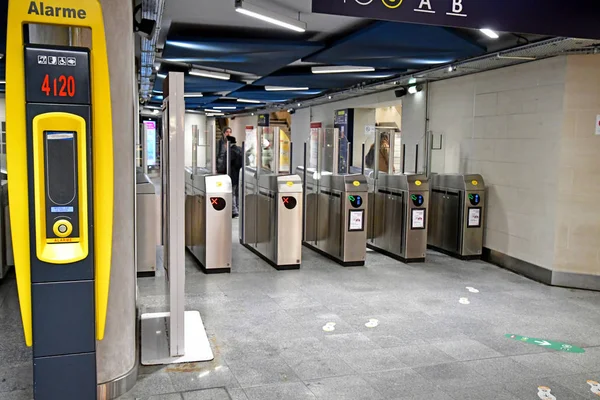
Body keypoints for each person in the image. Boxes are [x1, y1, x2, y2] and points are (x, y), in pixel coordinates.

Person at [227, 136, 243, 218]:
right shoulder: (240, 149)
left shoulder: (231, 151)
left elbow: (227, 164)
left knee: (232, 193)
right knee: (237, 193)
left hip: (232, 175)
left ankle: (234, 211)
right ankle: (238, 208)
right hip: (239, 174)